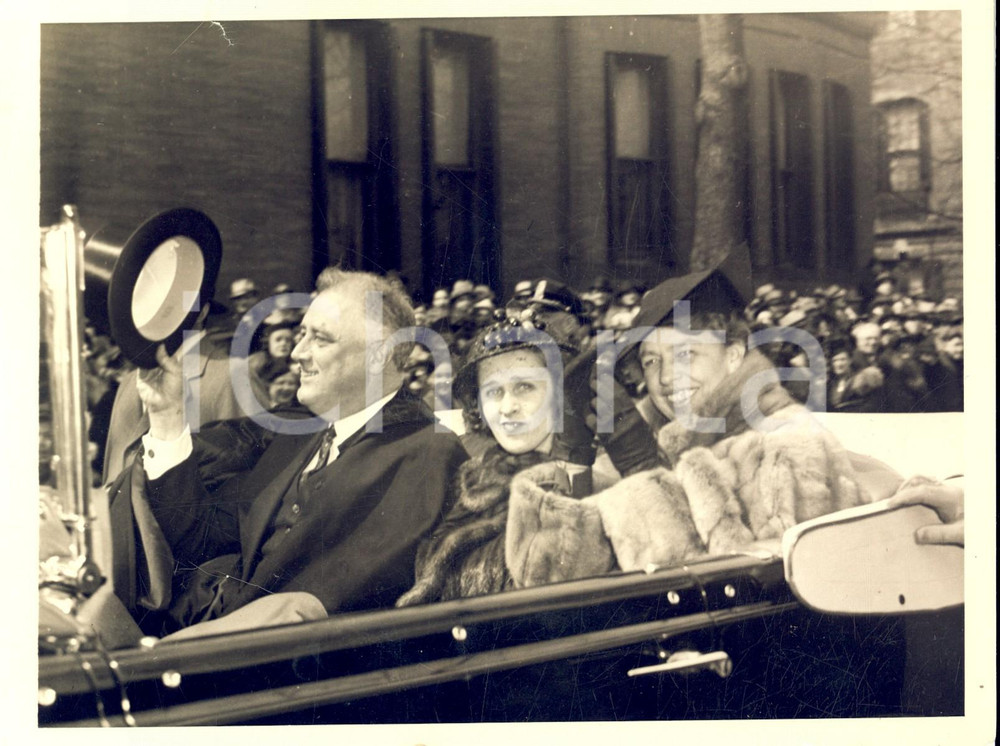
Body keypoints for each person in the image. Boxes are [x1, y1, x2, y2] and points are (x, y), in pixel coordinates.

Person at [107, 268, 468, 635]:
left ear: (380, 356)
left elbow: (329, 607)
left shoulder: (428, 453)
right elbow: (200, 539)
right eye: (301, 335)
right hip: (203, 637)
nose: (298, 352)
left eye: (320, 339)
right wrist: (167, 414)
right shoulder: (295, 434)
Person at [503, 246, 872, 588]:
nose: (665, 378)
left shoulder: (787, 444)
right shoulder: (655, 435)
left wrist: (642, 468)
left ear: (733, 356)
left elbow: (746, 590)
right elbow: (547, 574)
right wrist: (575, 454)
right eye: (651, 361)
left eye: (686, 355)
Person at [101, 303, 243, 485]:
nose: (158, 309)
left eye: (170, 302)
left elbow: (248, 488)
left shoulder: (230, 377)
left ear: (202, 312)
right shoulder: (129, 382)